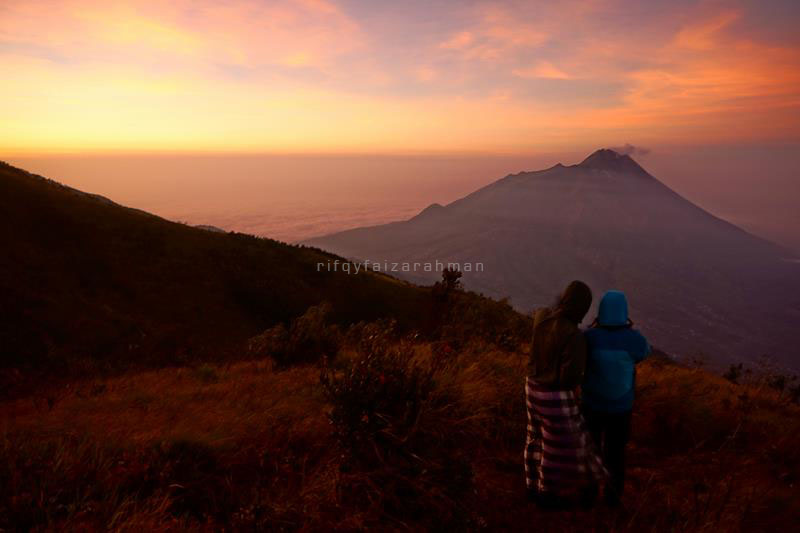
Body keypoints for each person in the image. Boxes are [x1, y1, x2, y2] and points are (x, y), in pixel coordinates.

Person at [524, 280, 606, 509]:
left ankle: (532, 485)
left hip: (531, 386)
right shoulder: (574, 335)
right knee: (557, 445)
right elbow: (571, 377)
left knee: (534, 436)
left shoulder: (541, 317)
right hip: (554, 394)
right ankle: (547, 493)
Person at [582, 290, 650, 506]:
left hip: (592, 403)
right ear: (624, 312)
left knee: (591, 449)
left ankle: (589, 494)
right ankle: (612, 497)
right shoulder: (635, 339)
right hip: (621, 407)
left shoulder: (589, 337)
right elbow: (643, 354)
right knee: (616, 452)